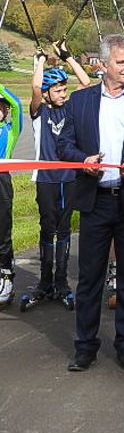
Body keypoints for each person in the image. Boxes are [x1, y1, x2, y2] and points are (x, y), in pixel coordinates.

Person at [58, 34, 124, 372]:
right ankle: (85, 347)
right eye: (121, 62)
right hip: (95, 202)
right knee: (90, 279)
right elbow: (64, 146)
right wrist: (83, 160)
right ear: (103, 65)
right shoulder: (80, 101)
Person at [25, 42, 92, 311]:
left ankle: (62, 283)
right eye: (58, 89)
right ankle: (44, 283)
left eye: (65, 89)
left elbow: (86, 84)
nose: (63, 93)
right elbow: (35, 89)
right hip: (45, 179)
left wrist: (68, 57)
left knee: (64, 230)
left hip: (69, 178)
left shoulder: (71, 107)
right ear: (48, 93)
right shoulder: (39, 111)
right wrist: (40, 61)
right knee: (46, 229)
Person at [0, 79, 23, 310]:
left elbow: (17, 104)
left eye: (0, 106)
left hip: (2, 181)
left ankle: (5, 273)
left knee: (2, 229)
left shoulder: (10, 130)